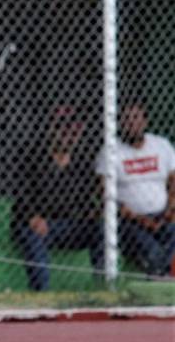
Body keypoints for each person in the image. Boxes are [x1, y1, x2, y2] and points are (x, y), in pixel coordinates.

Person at [11, 105, 102, 291]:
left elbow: (86, 200)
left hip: (69, 225)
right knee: (32, 235)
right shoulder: (32, 157)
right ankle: (41, 294)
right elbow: (20, 195)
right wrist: (32, 217)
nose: (68, 136)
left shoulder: (82, 162)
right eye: (63, 129)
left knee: (101, 229)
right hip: (38, 223)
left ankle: (103, 287)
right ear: (52, 129)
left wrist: (93, 213)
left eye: (73, 132)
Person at [96, 100, 175, 277]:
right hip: (130, 220)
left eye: (136, 118)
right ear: (119, 124)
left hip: (163, 215)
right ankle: (161, 280)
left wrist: (170, 210)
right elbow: (104, 193)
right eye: (126, 119)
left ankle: (161, 277)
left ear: (145, 122)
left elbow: (173, 181)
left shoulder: (161, 145)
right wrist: (140, 219)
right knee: (151, 249)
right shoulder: (110, 151)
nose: (132, 123)